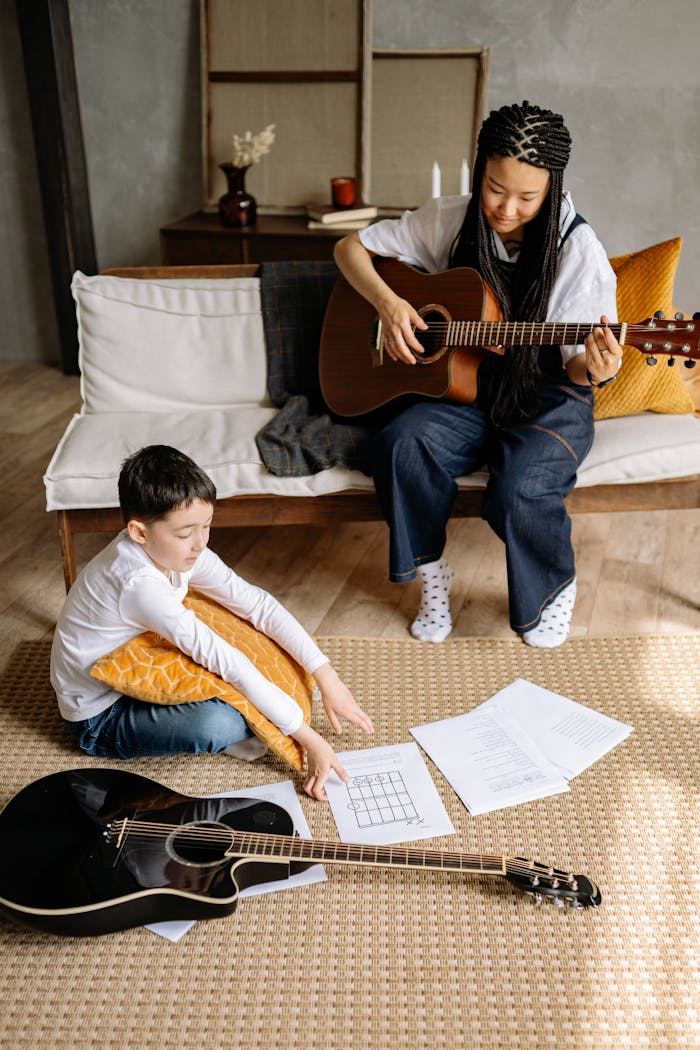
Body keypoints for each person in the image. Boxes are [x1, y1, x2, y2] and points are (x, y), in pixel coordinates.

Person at [333, 100, 623, 649]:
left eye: (527, 197)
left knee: (520, 488)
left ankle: (553, 588)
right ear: (479, 170)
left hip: (549, 396)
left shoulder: (578, 251)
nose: (507, 208)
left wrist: (596, 367)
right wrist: (390, 305)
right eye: (495, 188)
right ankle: (432, 575)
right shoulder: (448, 217)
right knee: (401, 443)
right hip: (465, 388)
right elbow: (349, 248)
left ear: (553, 188)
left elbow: (578, 370)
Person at [50, 444, 374, 800]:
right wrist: (310, 739)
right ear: (139, 533)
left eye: (207, 525)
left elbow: (257, 605)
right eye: (185, 533)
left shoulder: (180, 549)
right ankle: (219, 739)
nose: (200, 543)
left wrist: (327, 676)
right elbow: (228, 662)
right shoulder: (138, 585)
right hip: (100, 716)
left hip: (131, 652)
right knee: (222, 722)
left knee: (250, 647)